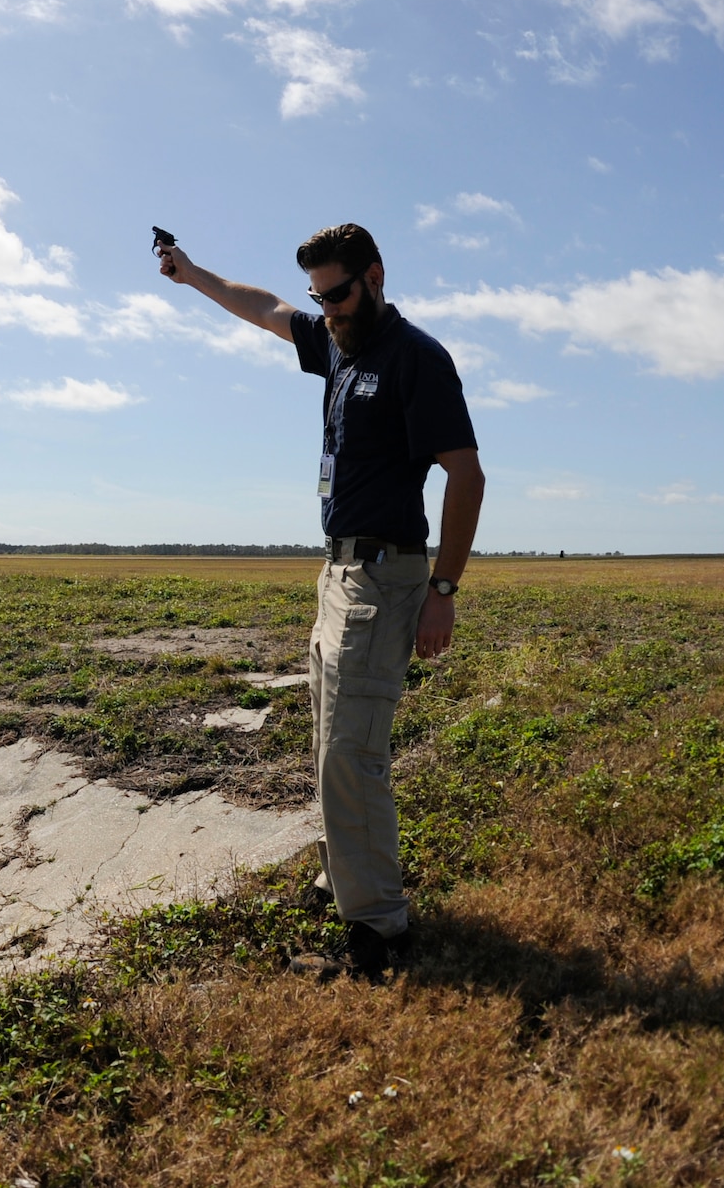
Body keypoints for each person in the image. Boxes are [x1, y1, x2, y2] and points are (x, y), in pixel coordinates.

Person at [156, 222, 484, 981]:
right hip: (337, 576)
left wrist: (443, 590)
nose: (326, 310)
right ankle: (345, 878)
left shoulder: (417, 358)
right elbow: (266, 308)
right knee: (328, 740)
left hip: (385, 577)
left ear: (374, 275)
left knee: (351, 751)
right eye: (319, 297)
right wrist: (195, 273)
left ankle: (380, 935)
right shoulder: (338, 341)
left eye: (336, 294)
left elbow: (466, 476)